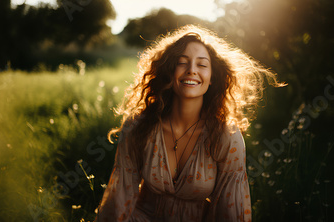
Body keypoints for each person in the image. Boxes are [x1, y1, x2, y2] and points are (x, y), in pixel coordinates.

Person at [95, 25, 284, 222]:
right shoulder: (139, 126)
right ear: (170, 71)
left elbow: (230, 210)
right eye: (182, 63)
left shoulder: (226, 136)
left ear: (212, 78)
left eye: (202, 65)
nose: (192, 70)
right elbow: (120, 198)